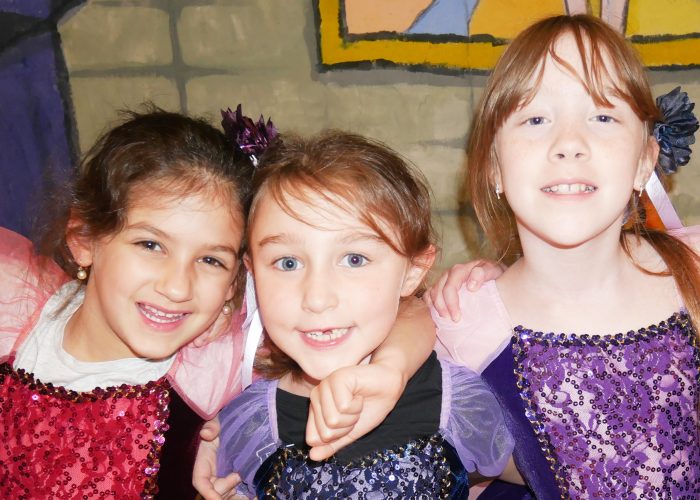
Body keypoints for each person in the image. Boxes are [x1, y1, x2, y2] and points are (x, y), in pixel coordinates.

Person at [0, 107, 439, 499]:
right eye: (150, 245)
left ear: (235, 281)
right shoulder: (15, 305)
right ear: (83, 239)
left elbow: (407, 308)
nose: (177, 287)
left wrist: (391, 369)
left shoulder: (215, 356)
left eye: (211, 260)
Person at [427, 14, 700, 499]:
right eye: (535, 119)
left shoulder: (693, 270)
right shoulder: (460, 325)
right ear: (493, 166)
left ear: (644, 160)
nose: (569, 144)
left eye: (603, 117)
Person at [215, 130, 514, 499]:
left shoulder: (459, 405)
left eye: (354, 259)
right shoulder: (247, 424)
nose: (317, 299)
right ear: (252, 271)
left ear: (413, 271)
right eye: (288, 262)